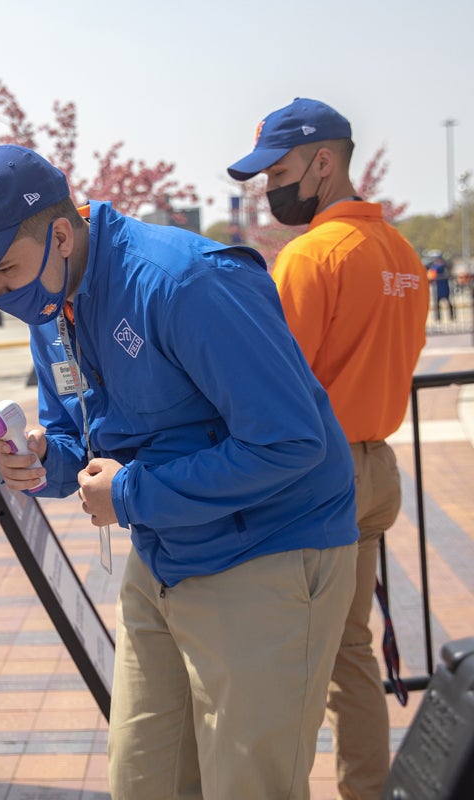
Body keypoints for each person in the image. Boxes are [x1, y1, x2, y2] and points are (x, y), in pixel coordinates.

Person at [0, 144, 358, 800]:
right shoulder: (49, 302)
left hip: (267, 556)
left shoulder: (187, 281)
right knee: (143, 780)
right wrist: (44, 458)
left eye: (4, 271)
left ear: (62, 235)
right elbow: (78, 439)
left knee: (249, 786)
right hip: (162, 556)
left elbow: (291, 443)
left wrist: (130, 492)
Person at [228, 97, 429, 800]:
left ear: (324, 162)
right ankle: (366, 790)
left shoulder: (311, 255)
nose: (268, 188)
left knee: (296, 658)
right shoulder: (401, 252)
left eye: (278, 170)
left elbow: (271, 386)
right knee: (350, 654)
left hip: (316, 475)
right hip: (378, 468)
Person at [426, 250, 455, 322]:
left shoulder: (442, 265)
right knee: (438, 303)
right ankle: (438, 317)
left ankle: (451, 316)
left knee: (447, 301)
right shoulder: (434, 266)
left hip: (444, 285)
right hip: (438, 286)